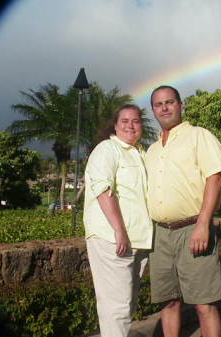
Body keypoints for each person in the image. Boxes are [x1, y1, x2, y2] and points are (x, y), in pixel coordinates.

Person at [145, 85, 221, 337]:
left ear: (180, 105)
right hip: (160, 236)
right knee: (169, 302)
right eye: (159, 104)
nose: (164, 108)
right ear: (153, 110)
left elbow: (214, 178)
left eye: (170, 102)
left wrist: (203, 224)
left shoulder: (199, 136)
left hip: (192, 227)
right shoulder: (152, 149)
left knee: (204, 304)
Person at [83, 104, 153, 337]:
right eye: (125, 120)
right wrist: (119, 230)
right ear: (115, 125)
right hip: (113, 238)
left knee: (127, 303)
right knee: (118, 306)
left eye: (135, 121)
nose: (130, 125)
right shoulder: (107, 149)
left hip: (138, 240)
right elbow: (103, 190)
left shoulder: (141, 153)